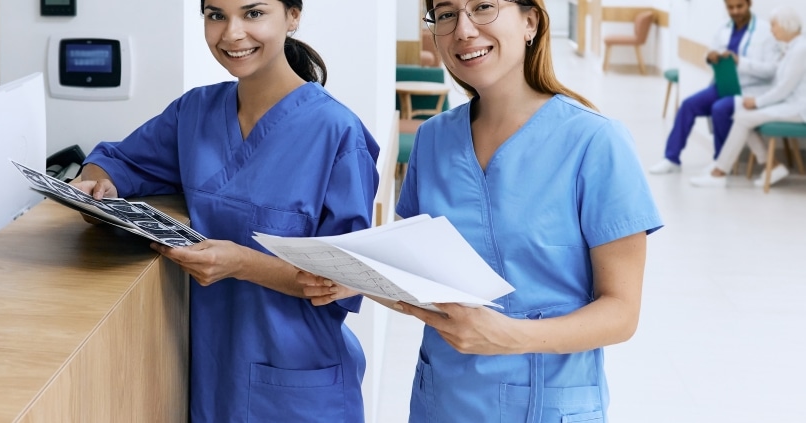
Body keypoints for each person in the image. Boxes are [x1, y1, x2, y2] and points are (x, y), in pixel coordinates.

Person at [300, 0, 661, 421]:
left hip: (545, 404)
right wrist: (357, 279)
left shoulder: (596, 142)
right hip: (443, 399)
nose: (464, 30)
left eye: (484, 7)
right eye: (448, 13)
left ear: (530, 21)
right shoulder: (434, 138)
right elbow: (415, 268)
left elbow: (621, 312)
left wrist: (509, 336)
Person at [70, 0, 378, 421]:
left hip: (295, 383)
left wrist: (242, 264)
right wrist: (93, 184)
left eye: (253, 13)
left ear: (292, 16)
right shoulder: (195, 112)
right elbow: (116, 159)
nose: (231, 33)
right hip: (213, 375)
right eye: (216, 15)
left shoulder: (336, 132)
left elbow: (345, 279)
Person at [649, 0, 781, 174]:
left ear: (749, 4)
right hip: (722, 85)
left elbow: (771, 71)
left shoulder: (764, 31)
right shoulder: (723, 28)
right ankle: (671, 158)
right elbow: (711, 54)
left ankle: (719, 162)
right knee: (688, 105)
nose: (735, 11)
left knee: (719, 109)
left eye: (739, 6)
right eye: (730, 7)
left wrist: (740, 61)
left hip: (748, 90)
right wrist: (710, 57)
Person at [692, 7, 805, 188]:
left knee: (743, 116)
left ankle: (719, 173)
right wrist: (755, 100)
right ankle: (772, 166)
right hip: (789, 103)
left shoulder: (800, 50)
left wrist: (758, 102)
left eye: (774, 25)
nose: (771, 30)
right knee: (742, 113)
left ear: (786, 26)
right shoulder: (792, 48)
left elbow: (784, 89)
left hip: (798, 109)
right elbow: (780, 85)